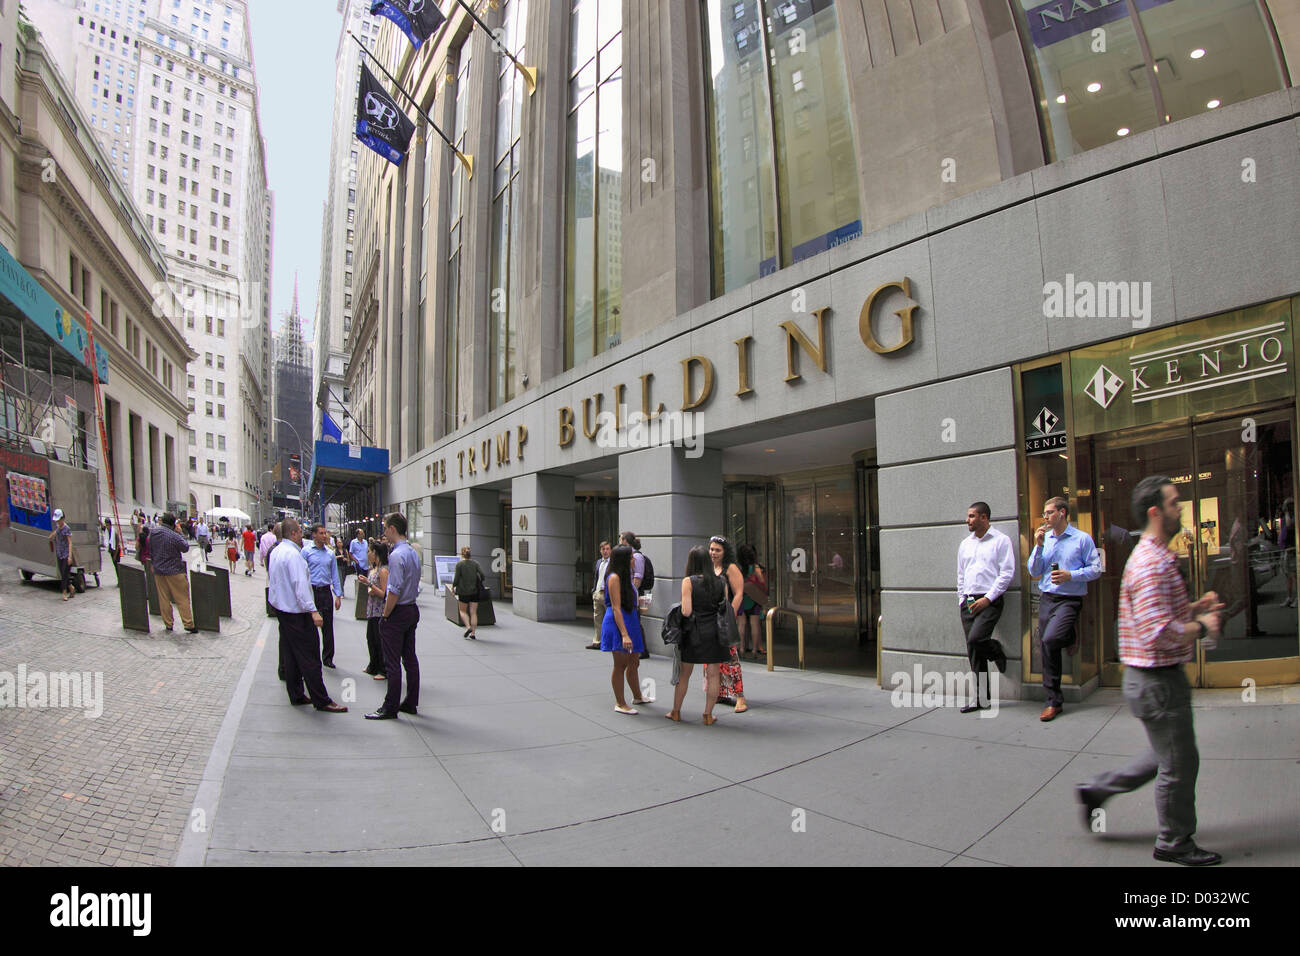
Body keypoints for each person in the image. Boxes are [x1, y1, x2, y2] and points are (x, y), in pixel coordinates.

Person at [1077, 475, 1224, 866]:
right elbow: (1158, 632)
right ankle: (1174, 842)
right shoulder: (1151, 563)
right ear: (1156, 511)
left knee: (1166, 755)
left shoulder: (1154, 555)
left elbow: (1158, 616)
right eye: (1175, 503)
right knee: (1179, 762)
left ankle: (1097, 790)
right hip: (1157, 681)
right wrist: (1203, 627)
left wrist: (1193, 609)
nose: (1181, 509)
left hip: (1153, 680)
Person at [1027, 496, 1102, 722]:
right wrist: (1038, 546)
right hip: (1048, 597)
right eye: (1044, 512)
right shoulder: (1045, 539)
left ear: (1062, 513)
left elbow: (1096, 569)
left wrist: (1072, 575)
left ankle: (1067, 634)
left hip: (1070, 599)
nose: (1045, 517)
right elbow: (1034, 570)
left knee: (1050, 640)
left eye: (1049, 512)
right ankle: (1053, 701)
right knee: (1047, 646)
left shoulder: (1082, 539)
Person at [268, 518, 348, 713]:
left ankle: (296, 693)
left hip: (283, 610)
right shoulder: (293, 555)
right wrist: (312, 611)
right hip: (297, 612)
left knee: (291, 654)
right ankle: (321, 699)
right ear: (294, 533)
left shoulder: (277, 551)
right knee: (310, 655)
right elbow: (300, 585)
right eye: (299, 532)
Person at [956, 501, 1014, 713]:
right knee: (973, 651)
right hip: (968, 601)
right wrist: (962, 599)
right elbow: (961, 575)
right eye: (968, 516)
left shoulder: (1001, 541)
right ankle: (982, 699)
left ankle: (995, 650)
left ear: (984, 517)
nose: (967, 520)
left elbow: (1006, 573)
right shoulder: (965, 544)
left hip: (990, 600)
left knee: (976, 639)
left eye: (972, 516)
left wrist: (988, 599)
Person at [366, 512, 422, 720]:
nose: (384, 533)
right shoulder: (412, 552)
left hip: (398, 612)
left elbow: (394, 590)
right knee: (410, 659)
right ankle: (410, 702)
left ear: (392, 529)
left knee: (392, 662)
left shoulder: (397, 555)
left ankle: (390, 707)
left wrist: (386, 615)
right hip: (411, 609)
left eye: (385, 528)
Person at [666, 546, 730, 724]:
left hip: (694, 632)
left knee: (684, 674)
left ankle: (676, 711)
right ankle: (708, 715)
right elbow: (725, 607)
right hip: (715, 633)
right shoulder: (721, 581)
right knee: (713, 675)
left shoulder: (689, 581)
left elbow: (686, 611)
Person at [600, 544, 650, 714]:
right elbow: (615, 608)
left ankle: (637, 695)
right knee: (620, 664)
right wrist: (624, 634)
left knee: (634, 662)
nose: (634, 559)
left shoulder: (626, 576)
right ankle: (620, 703)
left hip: (630, 618)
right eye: (630, 557)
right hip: (618, 622)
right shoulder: (614, 577)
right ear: (623, 560)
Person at [706, 535, 748, 711]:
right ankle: (720, 692)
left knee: (731, 657)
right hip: (709, 618)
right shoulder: (708, 567)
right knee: (711, 658)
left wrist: (730, 613)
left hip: (725, 618)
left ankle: (740, 697)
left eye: (717, 550)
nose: (713, 553)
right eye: (711, 549)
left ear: (725, 552)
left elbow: (739, 592)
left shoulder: (730, 568)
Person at [303, 523, 344, 668]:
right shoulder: (306, 552)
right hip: (312, 591)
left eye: (325, 533)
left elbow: (335, 575)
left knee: (327, 626)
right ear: (314, 535)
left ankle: (327, 657)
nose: (324, 535)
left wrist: (338, 595)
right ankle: (310, 656)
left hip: (325, 591)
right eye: (321, 533)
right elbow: (302, 573)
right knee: (309, 625)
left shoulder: (330, 553)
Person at [150, 513, 198, 633]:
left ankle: (168, 623)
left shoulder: (154, 532)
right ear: (173, 524)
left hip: (159, 570)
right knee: (182, 598)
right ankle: (188, 623)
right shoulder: (174, 535)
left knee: (163, 598)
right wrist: (180, 532)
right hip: (174, 570)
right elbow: (185, 547)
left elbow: (151, 548)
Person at [357, 541, 389, 680]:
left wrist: (370, 585)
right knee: (371, 638)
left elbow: (384, 593)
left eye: (369, 551)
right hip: (371, 609)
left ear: (375, 553)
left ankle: (383, 669)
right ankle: (373, 665)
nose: (368, 554)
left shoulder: (383, 570)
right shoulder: (373, 569)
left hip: (379, 610)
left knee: (379, 639)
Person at [621, 532, 653, 660]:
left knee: (636, 621)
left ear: (625, 541)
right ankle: (638, 648)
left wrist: (632, 594)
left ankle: (642, 650)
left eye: (620, 539)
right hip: (630, 592)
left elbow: (637, 578)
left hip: (634, 593)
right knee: (633, 620)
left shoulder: (637, 557)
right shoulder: (629, 555)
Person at [737, 543, 768, 659]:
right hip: (753, 599)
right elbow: (762, 583)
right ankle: (755, 650)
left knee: (741, 624)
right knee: (755, 624)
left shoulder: (738, 568)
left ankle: (741, 648)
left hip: (741, 598)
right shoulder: (755, 567)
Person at [452, 546, 483, 640]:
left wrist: (453, 586)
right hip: (475, 591)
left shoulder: (459, 564)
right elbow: (482, 575)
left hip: (463, 591)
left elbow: (457, 578)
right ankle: (473, 633)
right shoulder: (475, 563)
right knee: (473, 612)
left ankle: (468, 627)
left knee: (462, 611)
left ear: (462, 553)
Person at [47, 508, 78, 601]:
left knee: (64, 573)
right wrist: (51, 537)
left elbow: (70, 543)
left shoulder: (66, 528)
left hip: (65, 554)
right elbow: (53, 535)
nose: (58, 522)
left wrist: (69, 556)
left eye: (59, 520)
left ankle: (64, 592)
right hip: (59, 553)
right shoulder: (58, 528)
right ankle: (71, 588)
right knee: (62, 573)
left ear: (63, 518)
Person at [587, 540, 612, 650]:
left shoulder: (613, 563)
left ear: (610, 550)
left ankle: (608, 642)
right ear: (600, 550)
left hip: (608, 595)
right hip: (597, 594)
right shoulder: (598, 562)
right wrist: (594, 590)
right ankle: (597, 641)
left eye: (607, 549)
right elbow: (596, 577)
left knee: (609, 619)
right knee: (597, 619)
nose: (605, 551)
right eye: (603, 549)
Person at [348, 527, 369, 597]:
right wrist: (355, 561)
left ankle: (365, 592)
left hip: (366, 563)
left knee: (366, 579)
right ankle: (360, 593)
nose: (363, 535)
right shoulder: (353, 542)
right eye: (361, 533)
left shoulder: (365, 542)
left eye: (363, 533)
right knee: (361, 578)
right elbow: (350, 553)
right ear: (358, 535)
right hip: (359, 563)